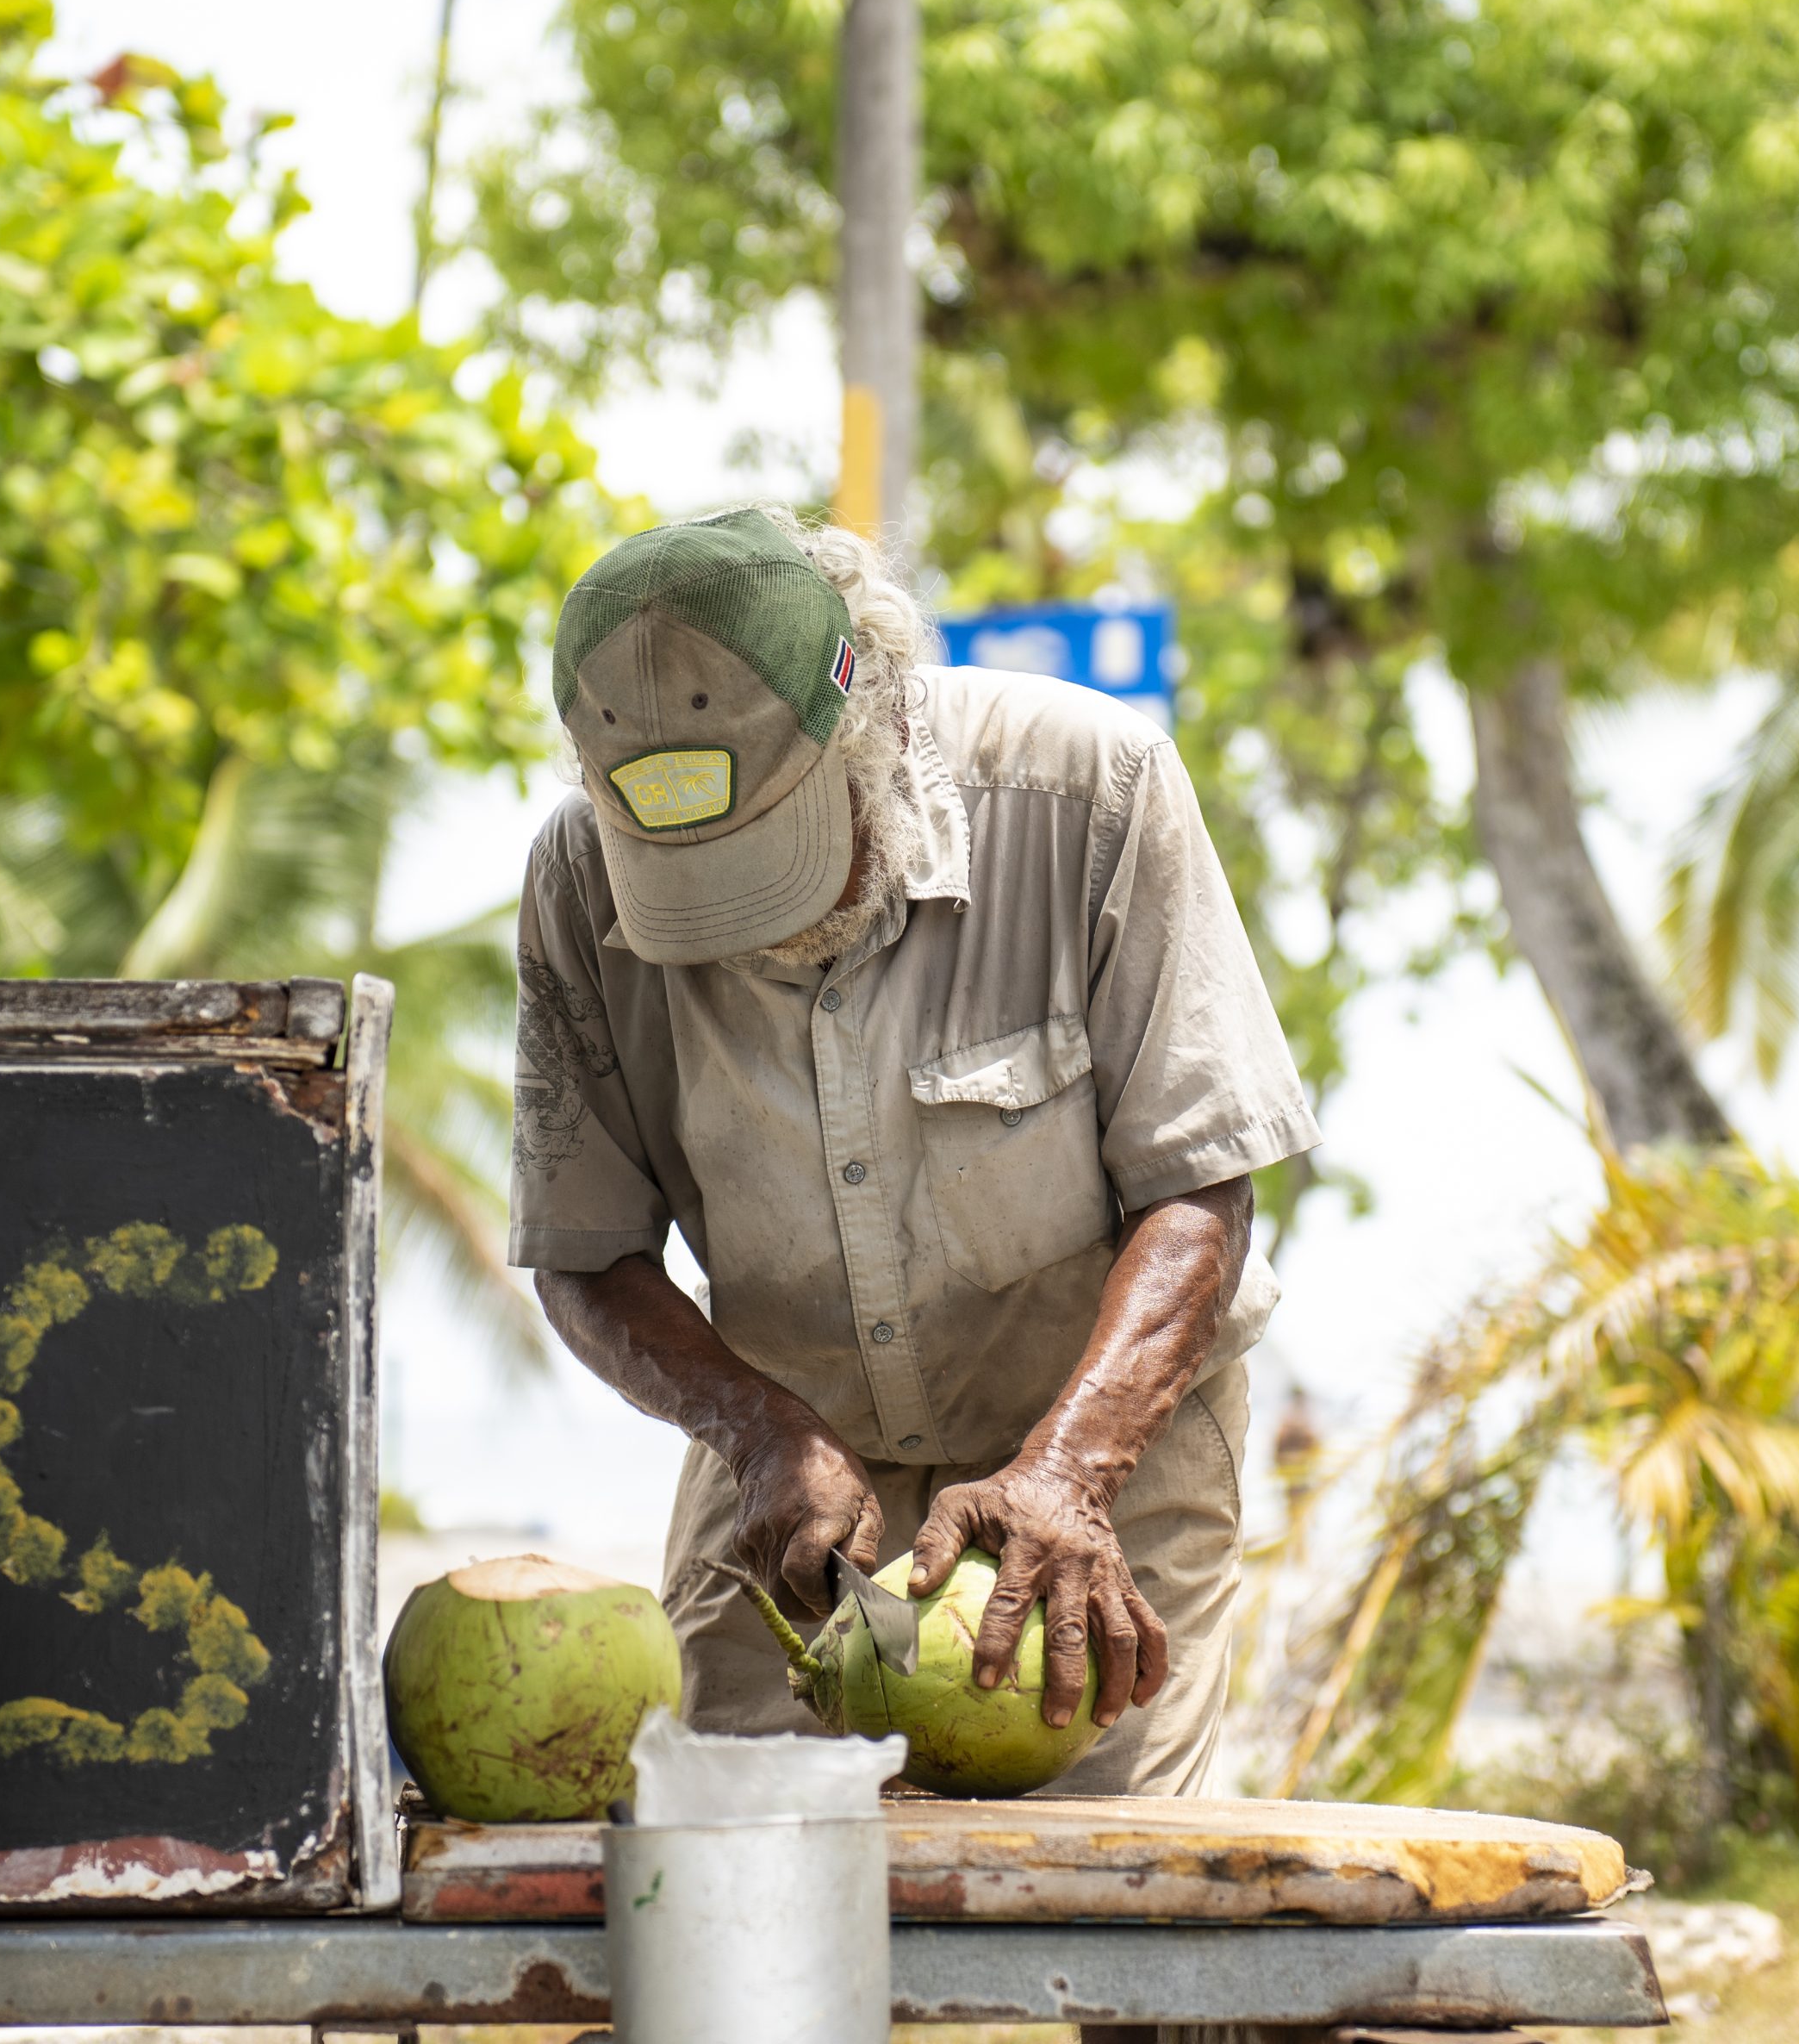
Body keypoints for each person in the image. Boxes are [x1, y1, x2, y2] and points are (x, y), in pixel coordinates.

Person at [508, 505, 1320, 1796]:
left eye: (778, 855)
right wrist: (758, 1428)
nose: (747, 928)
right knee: (738, 1889)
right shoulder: (572, 881)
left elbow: (1201, 1186)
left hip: (1105, 1436)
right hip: (793, 1465)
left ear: (871, 713)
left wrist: (1067, 1472)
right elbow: (586, 1254)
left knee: (1092, 1898)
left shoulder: (1090, 788)